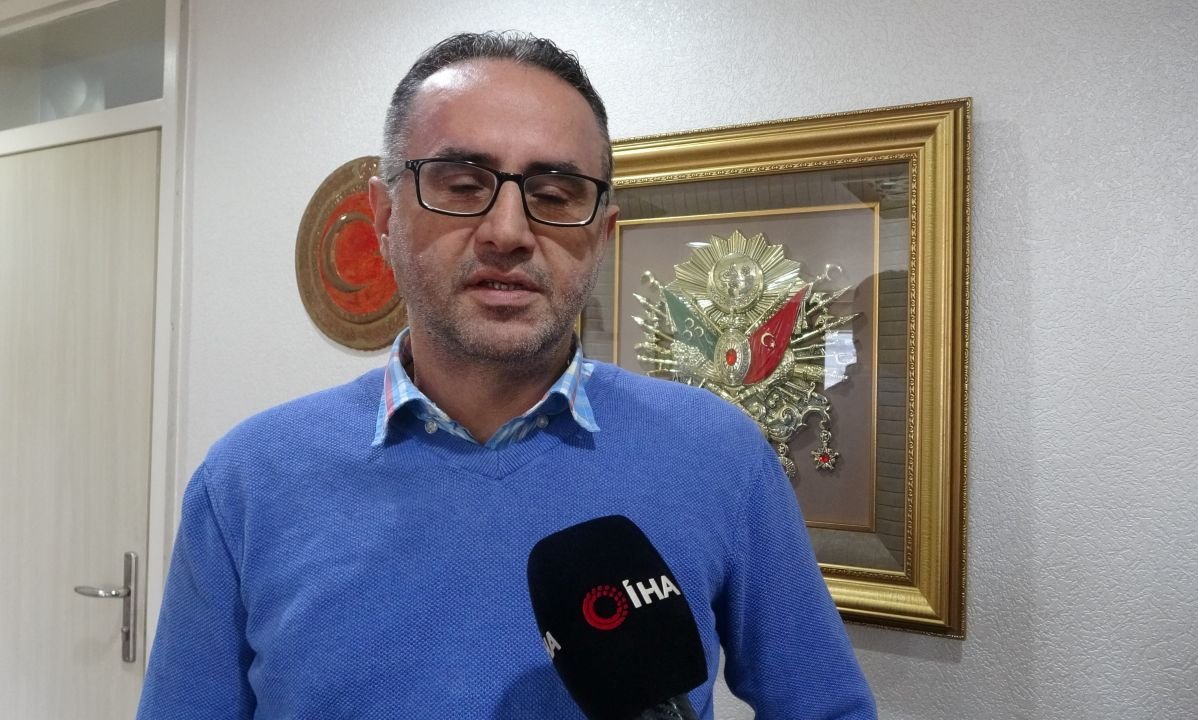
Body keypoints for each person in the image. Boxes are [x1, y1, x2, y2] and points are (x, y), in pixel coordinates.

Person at [137, 31, 877, 719]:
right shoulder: (247, 482)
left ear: (601, 234)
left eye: (555, 195)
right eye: (462, 184)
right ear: (384, 218)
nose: (509, 231)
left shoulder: (720, 455)